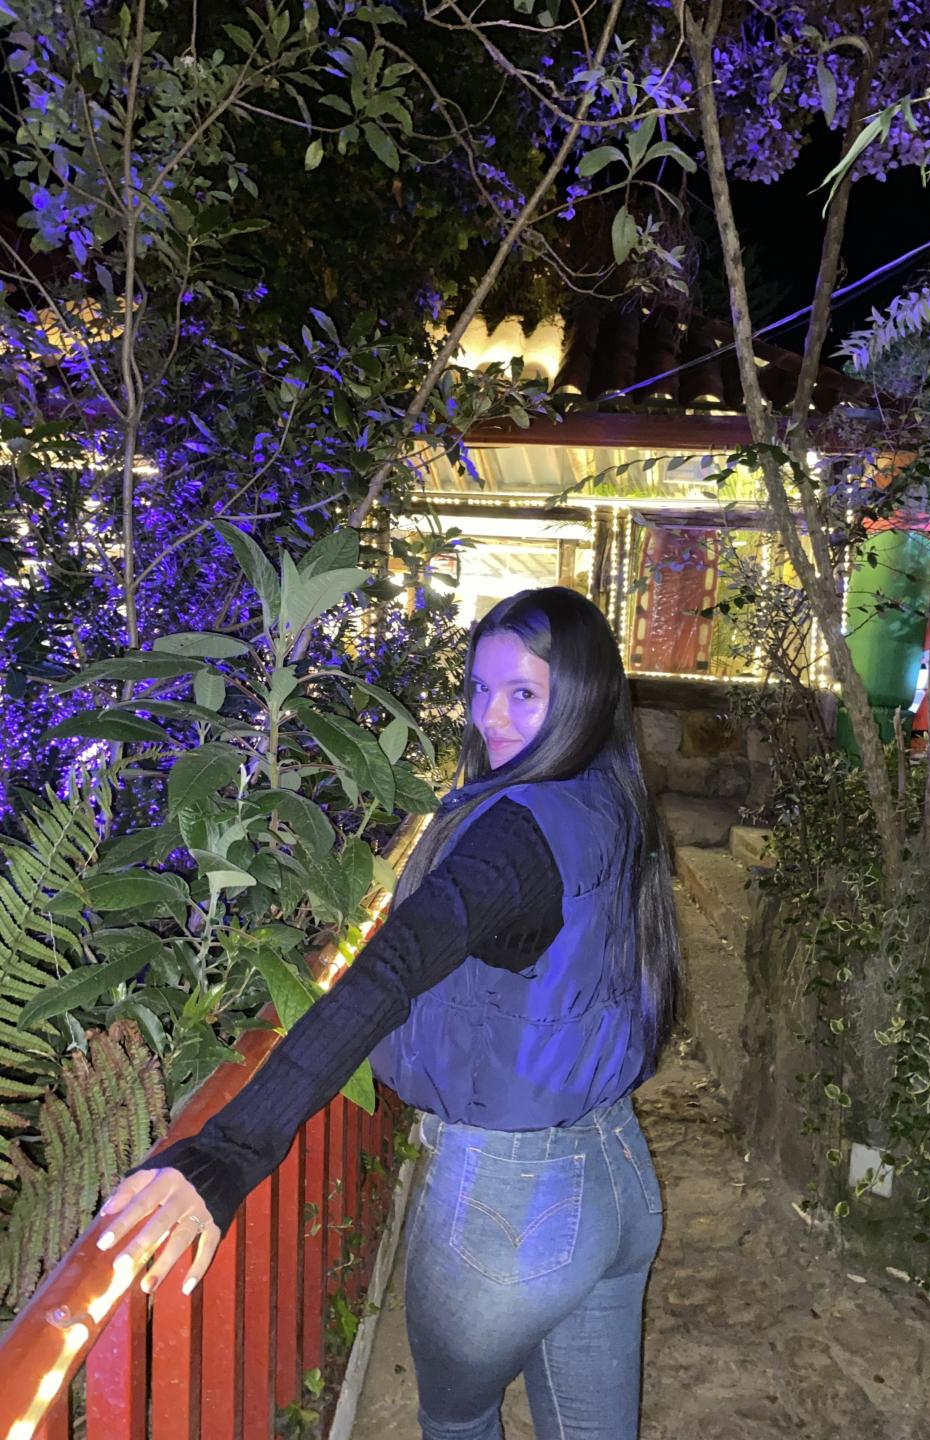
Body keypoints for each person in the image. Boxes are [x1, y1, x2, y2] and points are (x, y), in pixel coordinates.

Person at [96, 586, 682, 1440]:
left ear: (585, 696)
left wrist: (224, 1156)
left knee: (458, 1421)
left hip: (513, 1200)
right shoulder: (612, 797)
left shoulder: (516, 836)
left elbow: (387, 974)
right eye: (480, 690)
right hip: (618, 1175)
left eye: (524, 693)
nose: (490, 718)